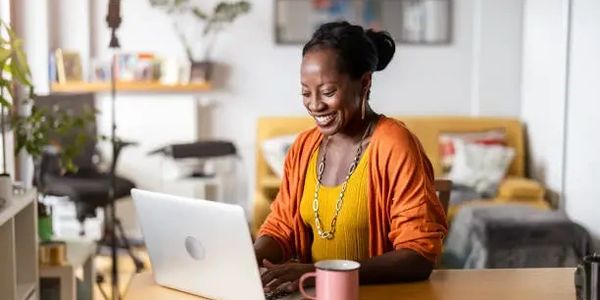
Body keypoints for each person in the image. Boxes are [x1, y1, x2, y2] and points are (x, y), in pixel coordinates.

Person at [255, 21, 448, 293]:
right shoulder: (304, 147)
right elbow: (281, 227)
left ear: (365, 82)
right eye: (305, 93)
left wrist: (319, 273)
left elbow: (418, 255)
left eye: (328, 92)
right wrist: (250, 257)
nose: (315, 105)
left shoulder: (395, 145)